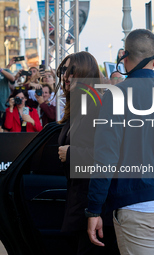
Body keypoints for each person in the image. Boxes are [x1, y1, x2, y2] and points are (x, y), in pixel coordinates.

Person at [87, 29, 154, 255]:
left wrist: (94, 209)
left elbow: (105, 158)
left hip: (137, 204)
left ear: (124, 57)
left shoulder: (116, 96)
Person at [56, 51, 112, 255]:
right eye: (63, 71)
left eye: (72, 72)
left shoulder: (98, 105)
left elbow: (111, 156)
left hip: (96, 204)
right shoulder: (79, 107)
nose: (66, 76)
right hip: (80, 201)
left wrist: (73, 154)